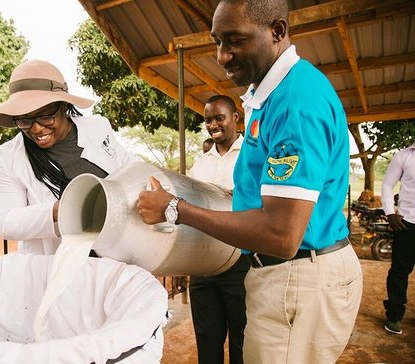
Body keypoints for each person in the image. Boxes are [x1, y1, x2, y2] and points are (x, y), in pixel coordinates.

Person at [137, 0, 363, 362]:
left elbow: (281, 235)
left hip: (296, 278)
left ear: (277, 32)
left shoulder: (296, 102)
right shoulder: (269, 97)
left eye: (235, 40)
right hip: (281, 274)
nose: (222, 56)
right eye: (217, 42)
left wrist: (175, 209)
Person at [0, 60, 139, 254]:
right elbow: (3, 221)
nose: (37, 128)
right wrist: (59, 210)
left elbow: (128, 165)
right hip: (57, 262)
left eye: (45, 116)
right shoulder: (9, 158)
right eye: (24, 120)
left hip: (115, 251)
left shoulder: (97, 128)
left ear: (63, 106)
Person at [188, 95, 249, 364]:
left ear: (236, 117)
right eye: (208, 119)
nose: (213, 124)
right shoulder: (201, 162)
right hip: (202, 261)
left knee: (242, 339)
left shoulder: (252, 153)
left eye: (219, 117)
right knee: (207, 337)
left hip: (240, 259)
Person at [381, 142, 415, 335]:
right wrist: (389, 212)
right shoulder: (404, 156)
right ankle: (394, 316)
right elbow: (387, 184)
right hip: (407, 223)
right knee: (400, 271)